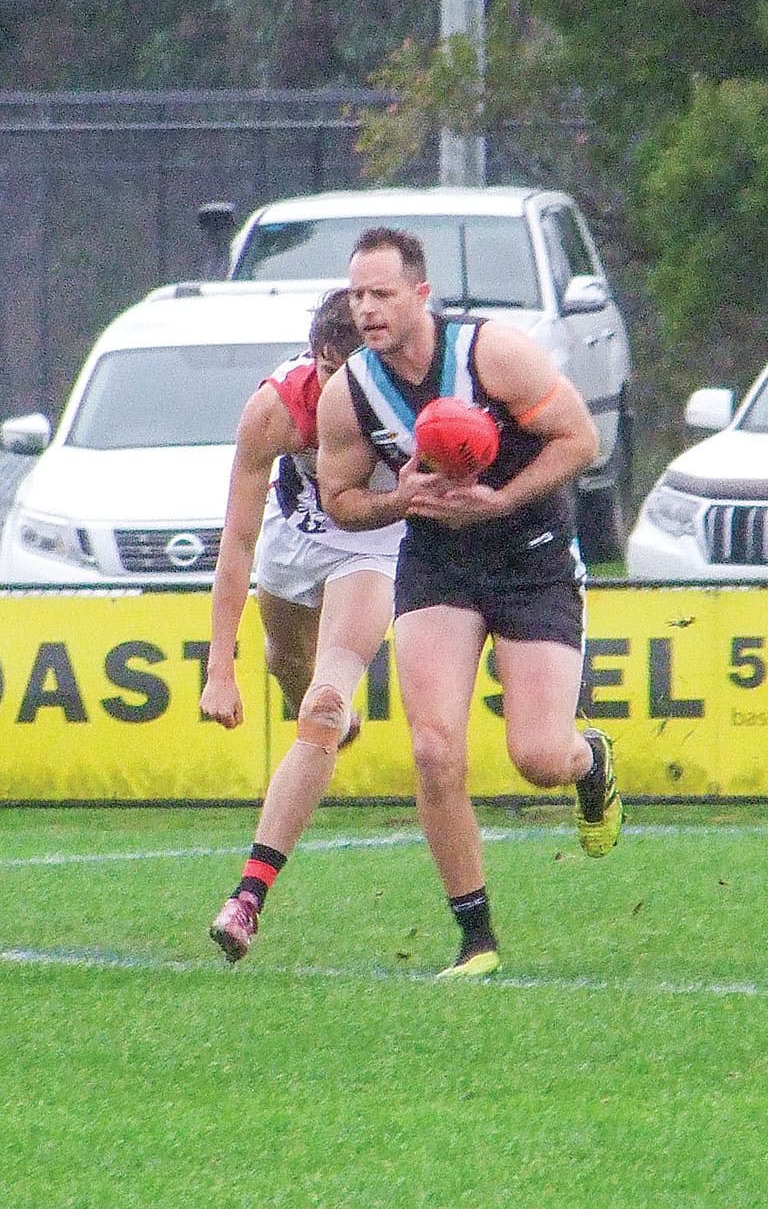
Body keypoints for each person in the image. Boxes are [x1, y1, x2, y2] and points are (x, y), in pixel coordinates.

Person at [316, 226, 622, 979]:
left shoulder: (494, 352)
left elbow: (581, 439)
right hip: (438, 560)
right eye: (357, 294)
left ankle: (591, 764)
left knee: (538, 756)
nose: (367, 309)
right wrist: (401, 501)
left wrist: (502, 499)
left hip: (531, 557)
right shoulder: (349, 392)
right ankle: (476, 936)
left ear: (421, 295)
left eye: (382, 293)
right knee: (433, 747)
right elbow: (341, 502)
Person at [201, 287, 404, 963]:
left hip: (370, 544)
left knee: (322, 703)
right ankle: (323, 724)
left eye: (349, 383)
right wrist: (219, 669)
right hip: (295, 541)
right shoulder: (275, 410)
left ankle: (248, 897)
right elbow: (236, 540)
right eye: (327, 378)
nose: (334, 396)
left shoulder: (406, 401)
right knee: (289, 665)